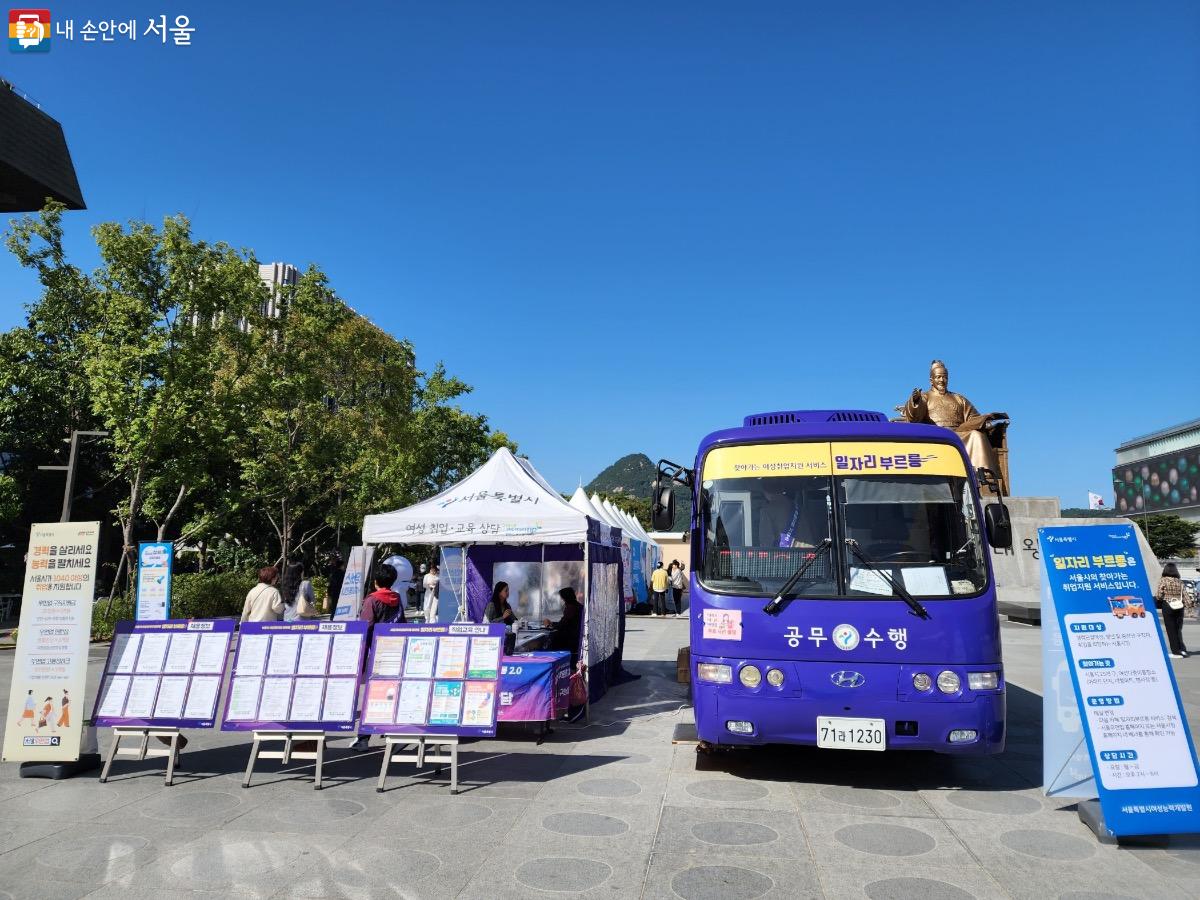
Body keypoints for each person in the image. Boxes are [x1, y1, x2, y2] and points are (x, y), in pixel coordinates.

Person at [898, 360, 1004, 478]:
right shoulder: (925, 397)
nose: (941, 380)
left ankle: (983, 476)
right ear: (931, 380)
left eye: (944, 377)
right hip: (936, 433)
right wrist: (915, 401)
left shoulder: (958, 398)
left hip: (959, 433)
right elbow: (914, 417)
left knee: (976, 435)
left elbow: (973, 417)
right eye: (938, 377)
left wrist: (985, 420)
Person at [350, 564, 406, 752]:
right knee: (392, 693)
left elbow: (365, 628)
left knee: (372, 696)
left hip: (378, 653)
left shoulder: (372, 601)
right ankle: (393, 733)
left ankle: (363, 738)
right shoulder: (397, 599)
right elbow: (403, 625)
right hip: (396, 651)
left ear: (375, 582)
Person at [544, 587, 584, 667]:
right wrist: (553, 623)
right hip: (575, 637)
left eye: (562, 598)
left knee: (550, 641)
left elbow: (562, 625)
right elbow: (564, 622)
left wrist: (549, 625)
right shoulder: (577, 606)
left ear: (566, 597)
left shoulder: (571, 608)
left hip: (571, 639)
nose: (562, 600)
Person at [1157, 562, 1188, 658]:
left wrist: (1161, 599)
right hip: (1179, 606)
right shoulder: (1179, 581)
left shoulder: (1163, 580)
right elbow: (1186, 595)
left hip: (1168, 605)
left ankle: (1176, 652)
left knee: (1171, 629)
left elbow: (1159, 595)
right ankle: (1182, 649)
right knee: (1178, 628)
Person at [324, 553, 346, 617]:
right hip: (340, 591)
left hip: (333, 591)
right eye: (343, 565)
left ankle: (332, 617)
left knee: (334, 605)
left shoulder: (333, 573)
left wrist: (328, 592)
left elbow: (330, 583)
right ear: (341, 566)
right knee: (339, 605)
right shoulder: (342, 573)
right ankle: (337, 617)